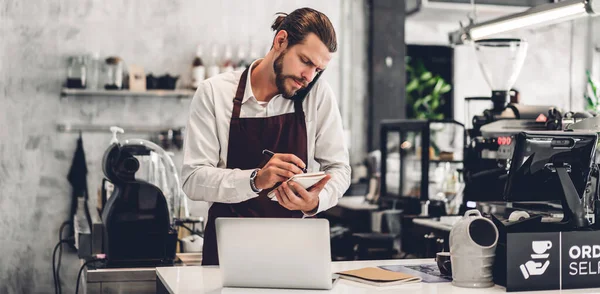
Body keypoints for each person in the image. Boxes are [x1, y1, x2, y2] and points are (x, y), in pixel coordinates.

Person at [181, 7, 351, 265]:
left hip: (294, 251)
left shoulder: (317, 95)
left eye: (318, 69)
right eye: (305, 61)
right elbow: (193, 179)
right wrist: (255, 179)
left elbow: (339, 168)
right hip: (228, 251)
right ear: (280, 41)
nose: (309, 77)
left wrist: (316, 200)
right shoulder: (214, 93)